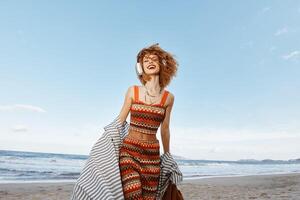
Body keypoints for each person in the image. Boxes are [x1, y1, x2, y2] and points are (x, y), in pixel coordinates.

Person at [118, 43, 178, 199]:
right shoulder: (133, 91)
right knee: (133, 195)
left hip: (152, 155)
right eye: (146, 60)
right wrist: (105, 142)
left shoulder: (168, 98)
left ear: (161, 64)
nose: (150, 62)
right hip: (129, 151)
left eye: (154, 59)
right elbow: (120, 121)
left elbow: (165, 129)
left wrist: (167, 156)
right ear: (140, 67)